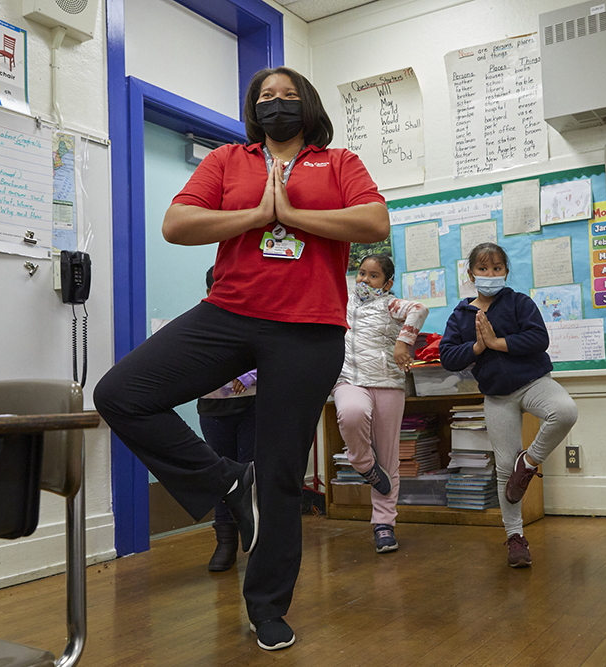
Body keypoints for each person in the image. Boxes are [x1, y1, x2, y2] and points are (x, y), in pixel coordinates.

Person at [93, 66, 389, 651]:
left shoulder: (339, 163)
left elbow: (373, 222)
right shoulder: (229, 159)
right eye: (265, 97)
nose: (277, 104)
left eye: (289, 95)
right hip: (229, 313)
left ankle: (267, 608)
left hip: (309, 330)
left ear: (309, 103)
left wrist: (291, 215)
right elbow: (178, 223)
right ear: (253, 110)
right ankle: (228, 482)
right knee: (121, 394)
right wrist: (256, 215)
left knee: (280, 472)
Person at [439, 242, 578, 568]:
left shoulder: (518, 302)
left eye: (497, 268)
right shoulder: (461, 315)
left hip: (534, 383)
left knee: (566, 411)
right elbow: (447, 356)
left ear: (506, 271)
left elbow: (538, 338)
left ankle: (528, 464)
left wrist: (496, 343)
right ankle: (515, 537)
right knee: (504, 468)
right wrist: (476, 346)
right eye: (483, 269)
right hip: (497, 397)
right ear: (470, 273)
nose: (490, 275)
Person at [332, 254, 429, 553]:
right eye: (361, 274)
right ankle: (362, 463)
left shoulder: (391, 304)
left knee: (388, 458)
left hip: (387, 382)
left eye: (373, 276)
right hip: (349, 379)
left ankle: (384, 524)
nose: (364, 280)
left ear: (386, 283)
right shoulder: (343, 302)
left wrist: (403, 342)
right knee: (350, 413)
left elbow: (419, 309)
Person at [196, 265, 257, 572]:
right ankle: (225, 542)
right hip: (214, 409)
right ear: (209, 291)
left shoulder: (256, 319)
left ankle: (258, 540)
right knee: (221, 474)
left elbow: (274, 356)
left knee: (250, 473)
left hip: (253, 407)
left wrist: (250, 374)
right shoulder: (200, 323)